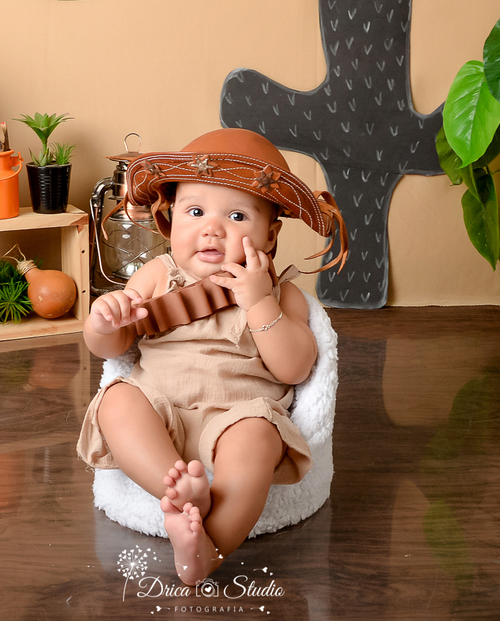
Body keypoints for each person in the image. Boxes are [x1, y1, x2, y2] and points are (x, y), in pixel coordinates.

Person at [77, 128, 347, 585]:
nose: (212, 228)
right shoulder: (156, 276)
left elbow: (297, 368)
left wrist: (260, 302)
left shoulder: (283, 296)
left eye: (238, 215)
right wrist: (104, 324)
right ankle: (181, 492)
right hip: (159, 408)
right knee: (117, 402)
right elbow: (112, 349)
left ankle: (208, 547)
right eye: (196, 211)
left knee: (259, 439)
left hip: (238, 417)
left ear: (270, 235)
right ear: (169, 220)